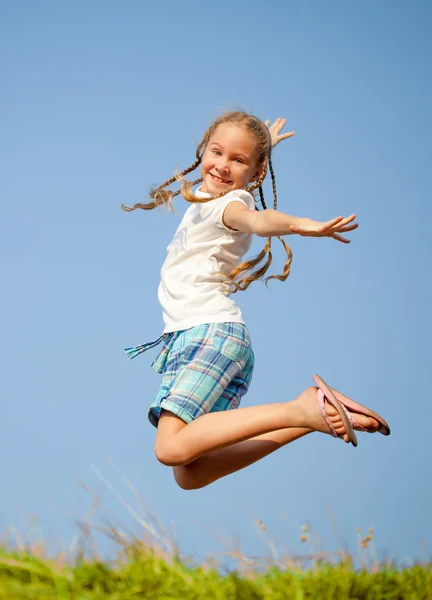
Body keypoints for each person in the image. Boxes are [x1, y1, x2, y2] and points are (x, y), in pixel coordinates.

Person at [123, 111, 390, 491]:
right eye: (217, 153)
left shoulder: (230, 206)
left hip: (209, 336)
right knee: (190, 472)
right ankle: (309, 418)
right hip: (205, 339)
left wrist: (300, 224)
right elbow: (238, 162)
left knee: (169, 448)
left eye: (238, 160)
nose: (222, 165)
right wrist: (262, 143)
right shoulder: (207, 202)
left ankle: (299, 408)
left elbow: (260, 221)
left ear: (256, 172)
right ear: (202, 151)